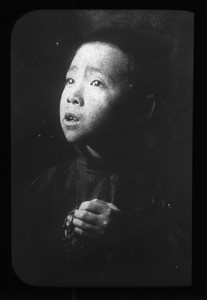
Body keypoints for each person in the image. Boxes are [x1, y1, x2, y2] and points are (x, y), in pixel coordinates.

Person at [12, 28, 191, 287]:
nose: (73, 96)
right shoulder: (46, 184)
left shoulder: (169, 183)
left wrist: (130, 233)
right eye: (70, 80)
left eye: (96, 82)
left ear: (142, 107)